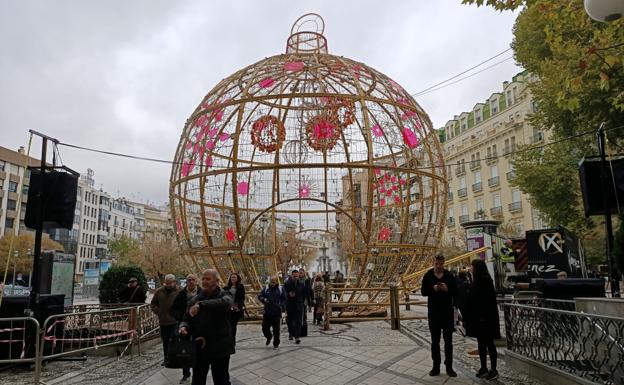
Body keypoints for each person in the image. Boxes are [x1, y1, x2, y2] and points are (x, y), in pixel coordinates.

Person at [179, 269, 234, 385]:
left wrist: (201, 305)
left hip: (220, 347)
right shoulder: (195, 299)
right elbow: (186, 319)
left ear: (217, 281)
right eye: (203, 279)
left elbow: (224, 303)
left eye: (208, 279)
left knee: (221, 380)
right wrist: (184, 327)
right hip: (200, 346)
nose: (204, 281)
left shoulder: (225, 294)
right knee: (198, 380)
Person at [421, 255, 458, 377]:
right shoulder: (428, 275)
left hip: (447, 313)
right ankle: (435, 366)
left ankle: (449, 367)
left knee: (448, 342)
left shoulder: (449, 276)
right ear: (433, 263)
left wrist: (447, 289)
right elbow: (423, 292)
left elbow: (456, 291)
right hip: (434, 313)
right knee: (434, 342)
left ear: (444, 263)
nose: (438, 266)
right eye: (436, 264)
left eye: (441, 264)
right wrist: (433, 288)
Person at [464, 259, 501, 381]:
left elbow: (486, 301)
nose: (471, 268)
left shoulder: (485, 280)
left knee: (489, 344)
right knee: (481, 344)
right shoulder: (477, 280)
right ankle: (484, 367)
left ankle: (493, 369)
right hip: (479, 318)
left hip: (486, 318)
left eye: (472, 266)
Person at [171, 274, 199, 384]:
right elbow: (173, 309)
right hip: (185, 325)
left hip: (198, 325)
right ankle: (186, 373)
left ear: (196, 281)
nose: (191, 281)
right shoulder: (181, 294)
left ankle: (198, 372)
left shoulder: (201, 292)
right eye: (189, 280)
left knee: (198, 348)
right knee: (185, 349)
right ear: (186, 282)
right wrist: (180, 318)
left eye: (193, 280)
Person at [151, 274, 180, 366]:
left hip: (175, 320)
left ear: (174, 282)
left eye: (170, 283)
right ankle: (166, 358)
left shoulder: (179, 291)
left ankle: (174, 357)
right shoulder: (159, 291)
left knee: (174, 338)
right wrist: (157, 311)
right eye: (167, 283)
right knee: (165, 341)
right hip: (163, 320)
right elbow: (153, 303)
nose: (168, 285)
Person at [258, 276, 286, 350]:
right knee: (264, 328)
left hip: (276, 312)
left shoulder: (280, 289)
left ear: (277, 281)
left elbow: (284, 298)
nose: (272, 283)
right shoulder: (266, 288)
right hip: (267, 312)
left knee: (276, 330)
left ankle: (276, 344)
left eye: (274, 281)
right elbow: (260, 296)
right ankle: (269, 336)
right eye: (271, 281)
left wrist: (281, 306)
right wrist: (263, 299)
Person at [284, 269, 306, 344]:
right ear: (292, 276)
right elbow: (283, 294)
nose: (296, 278)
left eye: (297, 276)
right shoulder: (287, 283)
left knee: (298, 321)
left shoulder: (301, 283)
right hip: (290, 305)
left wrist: (303, 302)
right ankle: (291, 332)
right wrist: (288, 294)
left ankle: (297, 337)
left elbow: (303, 294)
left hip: (299, 306)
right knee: (289, 321)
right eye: (294, 276)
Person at [224, 273, 245, 345]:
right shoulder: (226, 287)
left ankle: (233, 341)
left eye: (234, 277)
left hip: (236, 309)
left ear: (237, 278)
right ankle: (229, 340)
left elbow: (242, 298)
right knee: (228, 325)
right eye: (232, 277)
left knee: (233, 325)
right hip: (228, 309)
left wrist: (238, 306)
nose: (233, 278)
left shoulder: (240, 287)